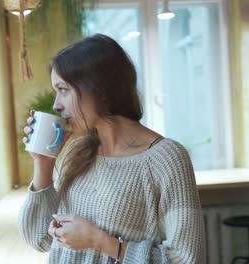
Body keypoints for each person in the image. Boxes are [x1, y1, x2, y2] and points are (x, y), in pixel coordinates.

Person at [18, 34, 205, 263]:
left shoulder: (167, 159)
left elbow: (186, 259)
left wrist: (100, 241)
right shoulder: (77, 152)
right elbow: (39, 239)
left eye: (63, 90)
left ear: (99, 89)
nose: (57, 104)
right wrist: (43, 164)